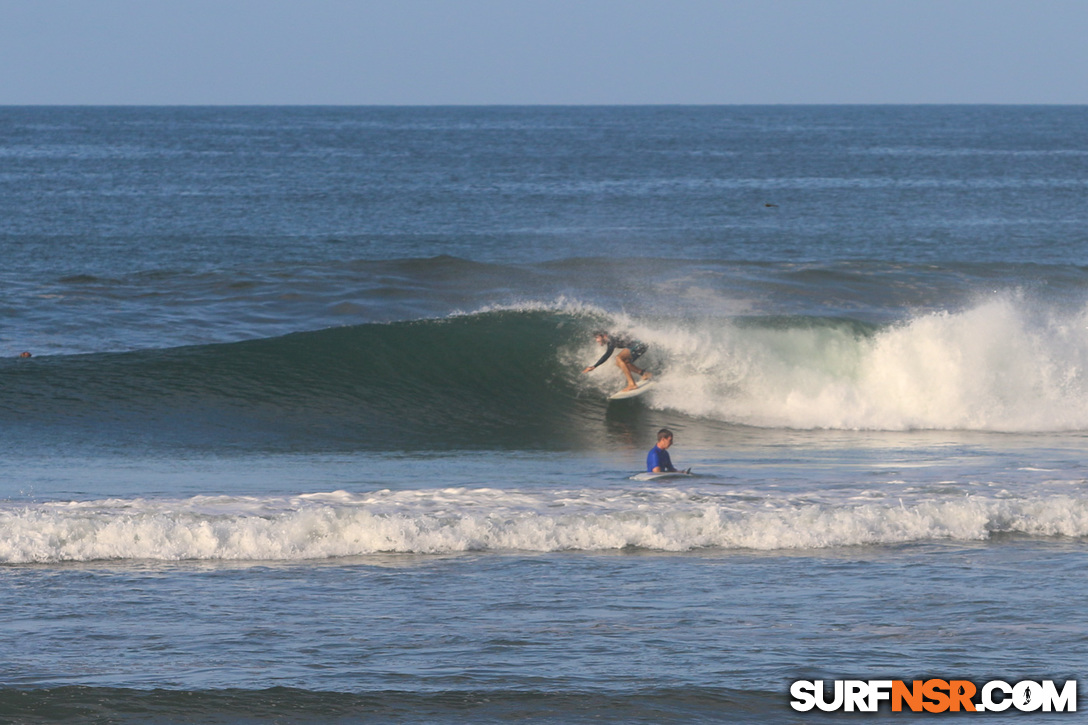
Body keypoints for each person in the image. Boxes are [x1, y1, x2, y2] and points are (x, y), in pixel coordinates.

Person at [582, 330, 650, 392]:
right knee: (620, 363)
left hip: (639, 345)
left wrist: (594, 366)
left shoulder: (611, 339)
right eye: (595, 338)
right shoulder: (611, 339)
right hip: (640, 345)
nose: (596, 340)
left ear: (604, 336)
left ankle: (632, 384)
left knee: (618, 358)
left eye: (597, 337)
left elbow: (608, 354)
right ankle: (644, 373)